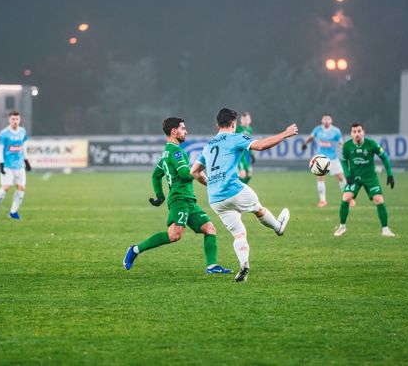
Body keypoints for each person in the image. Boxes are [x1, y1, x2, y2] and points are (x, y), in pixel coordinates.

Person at [190, 108, 298, 282]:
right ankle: (278, 227)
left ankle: (244, 264)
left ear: (217, 125)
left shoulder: (208, 146)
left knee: (239, 234)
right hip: (234, 190)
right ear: (234, 124)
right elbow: (260, 146)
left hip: (216, 199)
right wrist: (285, 134)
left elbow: (194, 172)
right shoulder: (235, 137)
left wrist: (211, 183)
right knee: (259, 209)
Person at [123, 117, 231, 274]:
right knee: (174, 235)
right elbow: (186, 175)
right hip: (179, 200)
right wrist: (202, 164)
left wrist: (160, 195)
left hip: (188, 200)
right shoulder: (176, 152)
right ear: (174, 131)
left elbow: (156, 175)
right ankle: (135, 249)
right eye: (183, 128)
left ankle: (212, 266)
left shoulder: (167, 152)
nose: (186, 131)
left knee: (209, 228)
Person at [335, 123, 395, 237]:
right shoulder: (347, 146)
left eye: (359, 131)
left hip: (370, 177)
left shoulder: (371, 144)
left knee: (379, 199)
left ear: (363, 132)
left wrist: (390, 174)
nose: (357, 134)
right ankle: (342, 227)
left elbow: (384, 157)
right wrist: (347, 175)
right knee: (346, 197)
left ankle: (385, 229)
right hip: (355, 177)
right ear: (351, 134)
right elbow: (343, 160)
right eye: (354, 131)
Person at [302, 113, 353, 207]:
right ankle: (322, 200)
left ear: (331, 120)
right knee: (320, 177)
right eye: (324, 119)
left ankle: (348, 199)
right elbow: (311, 137)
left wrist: (344, 149)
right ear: (322, 120)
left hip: (333, 158)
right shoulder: (318, 129)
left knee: (341, 177)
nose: (326, 121)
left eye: (328, 119)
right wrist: (305, 143)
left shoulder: (336, 131)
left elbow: (340, 142)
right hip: (321, 158)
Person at [0, 111, 31, 220]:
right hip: (8, 165)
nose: (15, 121)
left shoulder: (22, 131)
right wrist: (1, 164)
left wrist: (26, 161)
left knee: (21, 188)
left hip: (20, 165)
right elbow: (0, 150)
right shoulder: (4, 133)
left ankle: (13, 212)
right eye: (13, 119)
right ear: (9, 120)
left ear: (20, 120)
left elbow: (23, 147)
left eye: (17, 119)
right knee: (6, 187)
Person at [235, 111, 255, 183]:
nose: (246, 121)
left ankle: (243, 187)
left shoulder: (250, 129)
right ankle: (238, 188)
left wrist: (251, 154)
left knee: (249, 174)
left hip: (246, 155)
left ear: (250, 120)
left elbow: (249, 142)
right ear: (241, 120)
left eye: (247, 119)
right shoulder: (237, 129)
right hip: (239, 155)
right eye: (244, 119)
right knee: (242, 174)